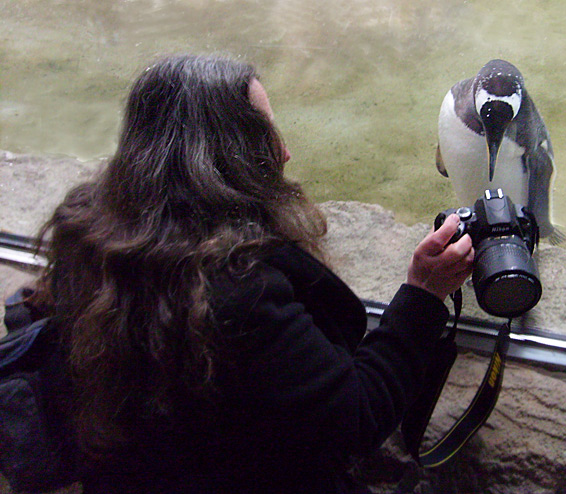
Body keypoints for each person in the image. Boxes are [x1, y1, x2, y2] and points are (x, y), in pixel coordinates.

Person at [28, 53, 474, 493]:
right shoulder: (239, 290)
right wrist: (422, 295)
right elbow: (355, 419)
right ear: (219, 157)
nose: (284, 151)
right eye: (262, 135)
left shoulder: (88, 237)